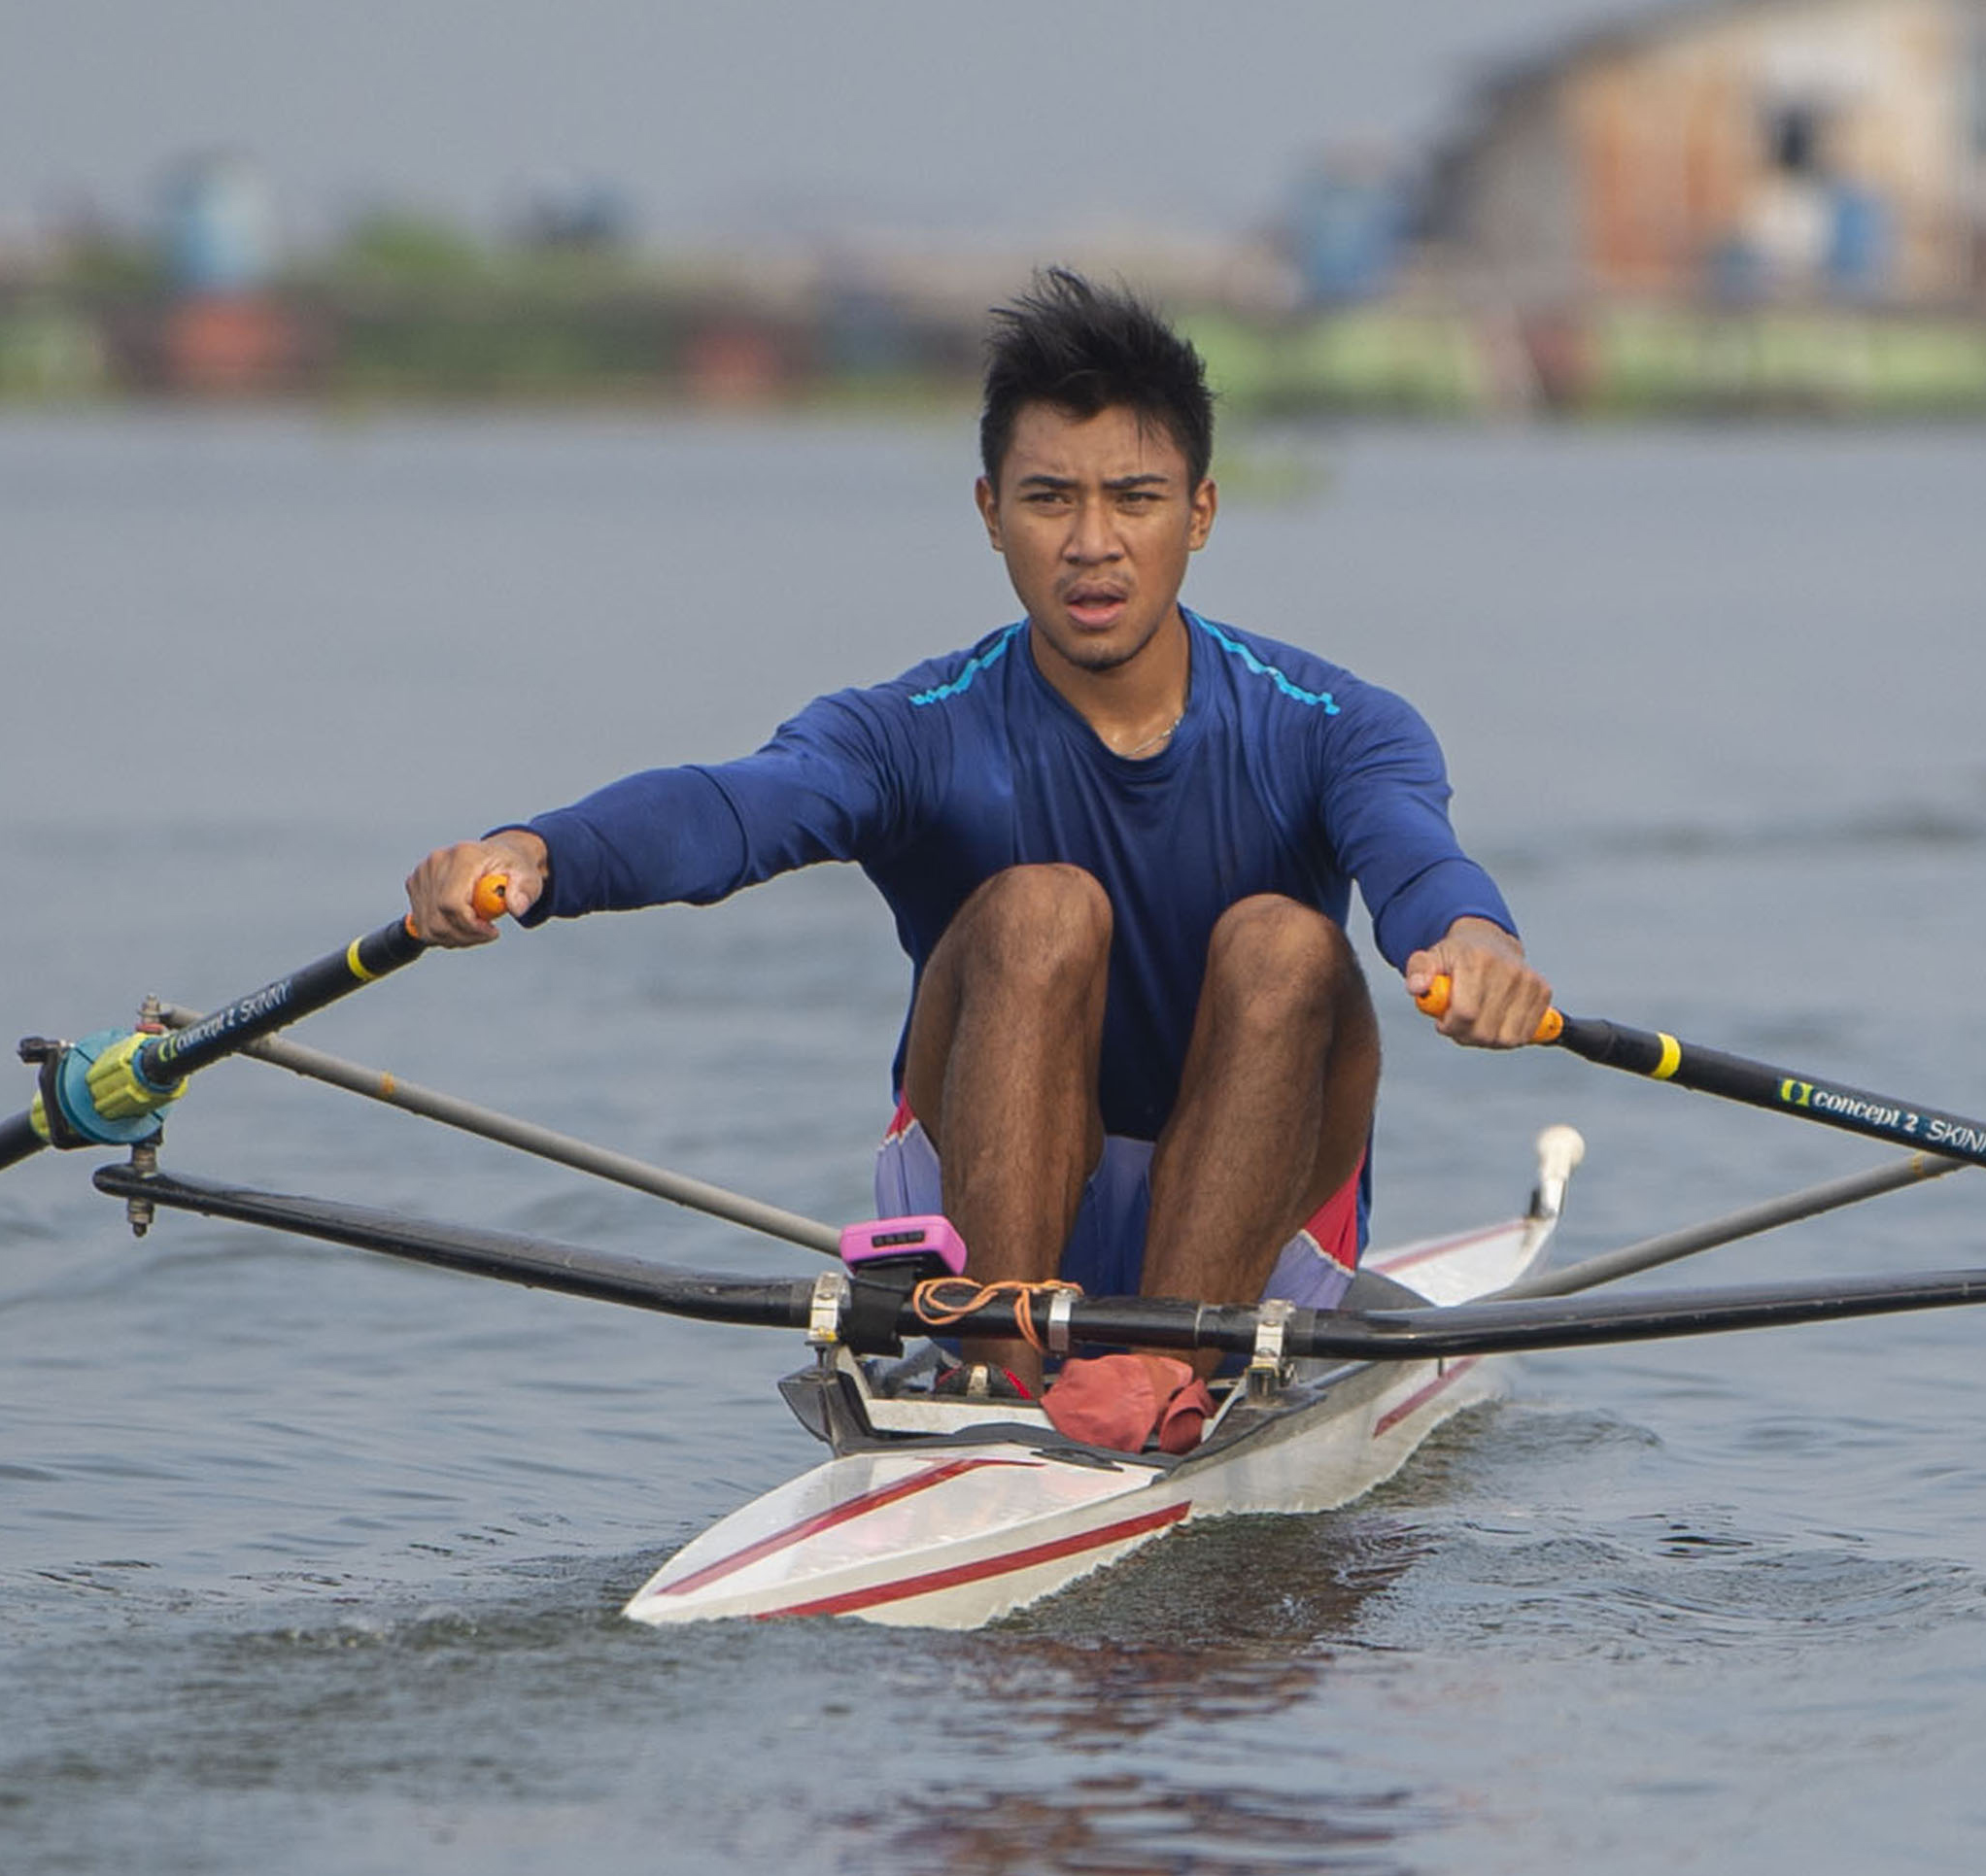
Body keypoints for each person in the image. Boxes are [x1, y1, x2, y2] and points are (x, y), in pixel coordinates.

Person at [397, 271, 1549, 1455]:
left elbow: (1415, 858)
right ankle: (1000, 1377)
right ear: (991, 511)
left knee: (1287, 944)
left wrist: (1472, 941)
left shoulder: (1334, 724)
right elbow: (733, 810)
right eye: (1049, 499)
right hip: (979, 1216)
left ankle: (1161, 1363)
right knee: (1038, 910)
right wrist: (535, 850)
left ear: (1199, 512)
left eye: (1133, 498)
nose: (1091, 545)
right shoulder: (918, 727)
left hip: (1254, 1216)